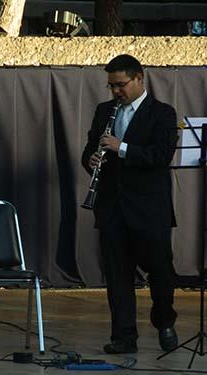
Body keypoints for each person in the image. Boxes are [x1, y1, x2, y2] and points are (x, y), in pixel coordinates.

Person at [81, 54, 179, 354]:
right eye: (111, 86)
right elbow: (88, 151)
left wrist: (120, 147)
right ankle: (124, 337)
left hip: (150, 210)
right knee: (117, 276)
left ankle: (164, 321)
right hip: (112, 208)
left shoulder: (162, 113)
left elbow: (159, 158)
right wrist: (92, 159)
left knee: (160, 272)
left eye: (120, 85)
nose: (115, 92)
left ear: (139, 78)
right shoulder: (104, 111)